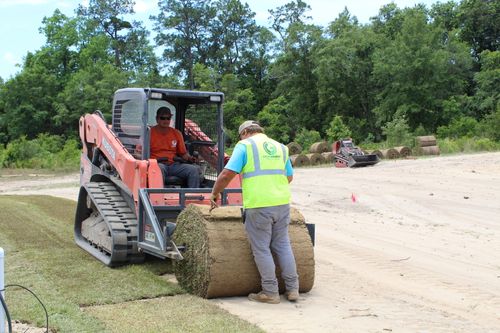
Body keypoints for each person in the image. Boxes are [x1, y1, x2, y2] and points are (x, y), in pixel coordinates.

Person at [210, 120, 299, 304]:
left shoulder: (244, 146)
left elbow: (227, 174)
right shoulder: (281, 147)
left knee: (261, 249)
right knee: (283, 245)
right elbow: (289, 176)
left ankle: (270, 292)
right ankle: (293, 289)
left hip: (259, 205)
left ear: (245, 132)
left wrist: (215, 193)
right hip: (282, 203)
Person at [150, 107, 200, 188]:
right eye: (162, 118)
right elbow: (140, 152)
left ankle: (193, 196)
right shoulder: (149, 133)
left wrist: (191, 158)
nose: (166, 121)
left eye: (168, 118)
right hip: (157, 164)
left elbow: (183, 153)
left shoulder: (176, 133)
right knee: (159, 169)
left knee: (193, 170)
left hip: (174, 164)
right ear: (157, 119)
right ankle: (158, 196)